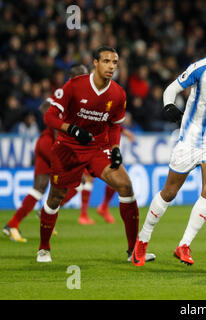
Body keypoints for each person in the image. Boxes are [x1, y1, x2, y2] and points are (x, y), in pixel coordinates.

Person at [131, 24, 206, 266]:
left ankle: (184, 245)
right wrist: (169, 107)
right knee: (169, 192)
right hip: (190, 139)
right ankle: (142, 241)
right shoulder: (202, 67)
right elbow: (172, 89)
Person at [36, 46, 155, 263]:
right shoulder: (74, 86)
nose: (111, 66)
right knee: (55, 197)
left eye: (115, 63)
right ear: (95, 63)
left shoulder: (118, 93)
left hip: (98, 149)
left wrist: (116, 149)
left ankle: (133, 251)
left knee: (126, 186)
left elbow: (114, 126)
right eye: (107, 61)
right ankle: (44, 248)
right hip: (68, 148)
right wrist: (70, 129)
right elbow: (50, 117)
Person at [2, 64, 89, 243]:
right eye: (85, 76)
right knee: (78, 180)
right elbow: (45, 108)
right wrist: (59, 134)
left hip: (44, 143)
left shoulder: (77, 96)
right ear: (76, 77)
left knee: (39, 187)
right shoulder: (64, 93)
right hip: (52, 145)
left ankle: (12, 225)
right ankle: (46, 211)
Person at [78, 127, 135, 225]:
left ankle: (104, 207)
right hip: (93, 144)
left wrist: (123, 131)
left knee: (116, 178)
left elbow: (112, 120)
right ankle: (83, 215)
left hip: (107, 145)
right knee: (88, 179)